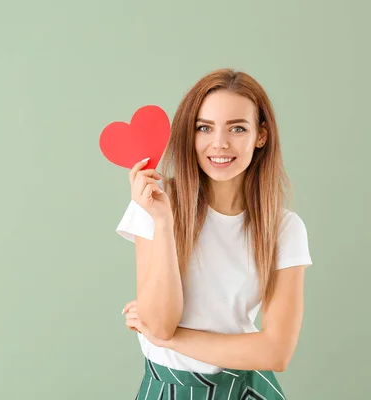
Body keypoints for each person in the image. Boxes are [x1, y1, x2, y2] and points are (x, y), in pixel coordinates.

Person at [116, 68, 312, 399]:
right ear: (189, 136)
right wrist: (164, 222)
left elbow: (276, 353)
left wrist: (170, 338)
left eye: (237, 128)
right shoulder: (155, 201)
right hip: (165, 388)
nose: (219, 143)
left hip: (239, 389)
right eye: (204, 128)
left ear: (260, 136)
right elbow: (161, 322)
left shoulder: (284, 228)